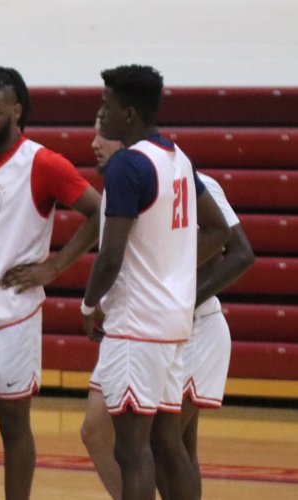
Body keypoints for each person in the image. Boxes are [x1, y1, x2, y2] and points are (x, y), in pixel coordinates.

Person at [0, 67, 103, 500]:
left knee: (13, 425)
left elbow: (98, 213)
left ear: (16, 111)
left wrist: (53, 268)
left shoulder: (43, 162)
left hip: (12, 314)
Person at [78, 119, 255, 500]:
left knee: (165, 444)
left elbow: (241, 252)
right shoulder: (122, 185)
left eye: (103, 133)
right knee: (101, 432)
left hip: (192, 326)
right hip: (142, 325)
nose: (94, 142)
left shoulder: (192, 180)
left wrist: (181, 296)